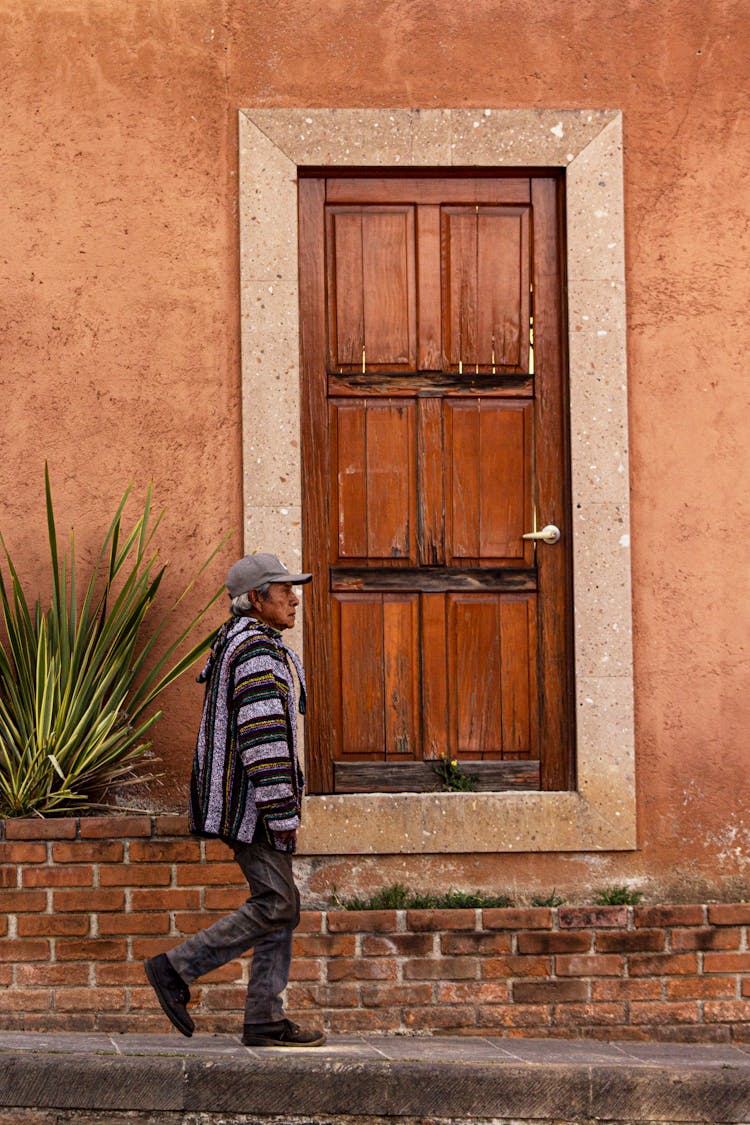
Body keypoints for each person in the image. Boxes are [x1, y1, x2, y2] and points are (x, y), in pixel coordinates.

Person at [144, 552, 325, 1047]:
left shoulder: (246, 643)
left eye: (293, 587)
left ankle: (265, 1018)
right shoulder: (256, 652)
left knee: (281, 903)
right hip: (253, 806)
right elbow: (262, 737)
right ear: (255, 599)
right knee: (278, 902)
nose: (293, 597)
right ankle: (176, 968)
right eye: (282, 589)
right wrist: (282, 810)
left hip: (251, 802)